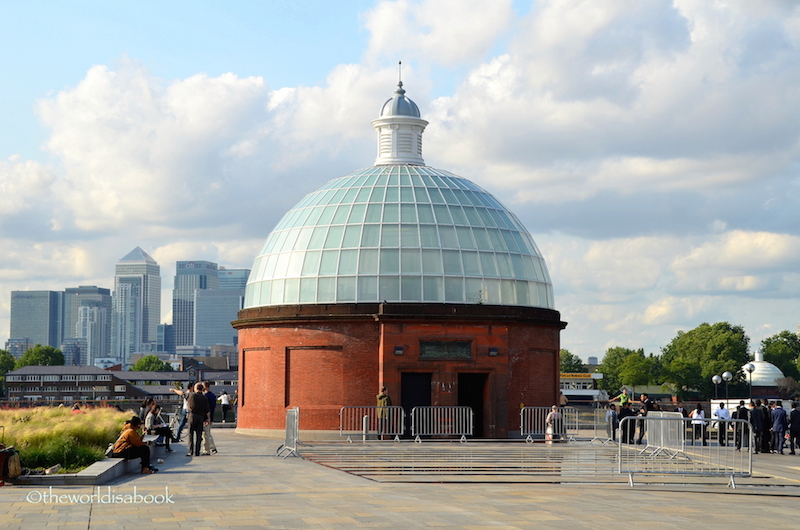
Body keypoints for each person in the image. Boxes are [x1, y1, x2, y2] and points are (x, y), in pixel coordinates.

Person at [172, 383, 210, 457]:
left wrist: (174, 390)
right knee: (199, 435)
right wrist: (208, 419)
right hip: (201, 417)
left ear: (196, 388)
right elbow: (207, 410)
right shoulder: (204, 398)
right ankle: (197, 452)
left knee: (190, 434)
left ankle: (190, 451)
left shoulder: (191, 395)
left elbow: (182, 393)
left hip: (192, 416)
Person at [200, 383, 218, 455]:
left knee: (206, 434)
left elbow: (206, 408)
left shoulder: (205, 396)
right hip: (211, 417)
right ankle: (212, 448)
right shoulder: (213, 396)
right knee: (207, 433)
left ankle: (207, 450)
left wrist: (207, 418)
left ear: (205, 387)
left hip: (206, 418)